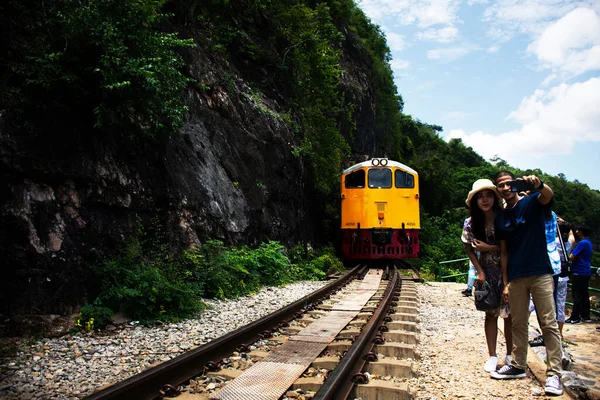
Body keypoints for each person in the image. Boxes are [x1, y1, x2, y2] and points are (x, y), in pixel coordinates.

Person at [491, 171, 563, 396]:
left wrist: (540, 184)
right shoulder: (501, 217)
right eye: (500, 185)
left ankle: (554, 375)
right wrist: (505, 282)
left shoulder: (532, 201)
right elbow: (504, 252)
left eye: (508, 183)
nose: (505, 188)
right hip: (516, 275)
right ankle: (518, 365)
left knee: (548, 323)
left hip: (540, 271)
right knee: (518, 323)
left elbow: (548, 196)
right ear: (498, 189)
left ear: (515, 184)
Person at [461, 179, 512, 373]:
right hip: (487, 273)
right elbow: (469, 248)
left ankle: (509, 355)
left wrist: (488, 247)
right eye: (480, 196)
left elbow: (508, 248)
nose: (485, 200)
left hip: (507, 270)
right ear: (475, 201)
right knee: (490, 314)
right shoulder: (471, 222)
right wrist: (479, 271)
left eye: (488, 195)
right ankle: (492, 356)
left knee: (509, 315)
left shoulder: (503, 218)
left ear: (494, 198)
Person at [565, 225, 593, 324]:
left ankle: (575, 317)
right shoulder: (588, 242)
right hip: (586, 271)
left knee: (576, 295)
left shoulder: (582, 243)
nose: (576, 232)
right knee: (584, 294)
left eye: (577, 230)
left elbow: (572, 257)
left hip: (579, 271)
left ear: (580, 232)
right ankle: (586, 315)